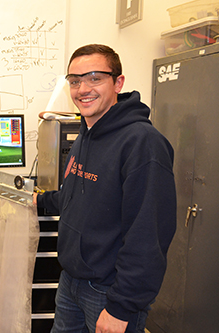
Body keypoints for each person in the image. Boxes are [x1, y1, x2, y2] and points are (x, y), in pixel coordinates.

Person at [33, 44, 176, 333]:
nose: (82, 88)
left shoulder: (142, 143)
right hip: (71, 282)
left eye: (94, 78)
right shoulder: (86, 133)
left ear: (118, 82)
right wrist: (40, 201)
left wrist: (120, 307)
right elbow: (77, 197)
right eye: (74, 81)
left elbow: (149, 234)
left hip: (108, 292)